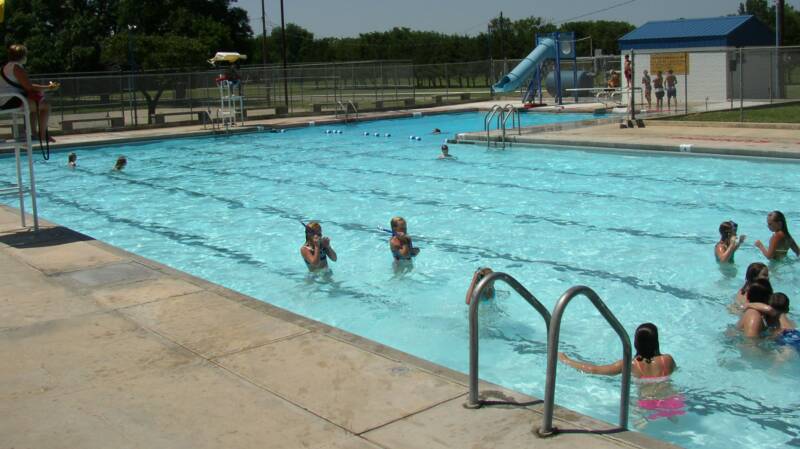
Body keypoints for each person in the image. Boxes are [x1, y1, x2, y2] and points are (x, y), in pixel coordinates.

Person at [559, 323, 676, 378]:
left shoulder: (630, 364)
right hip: (671, 401)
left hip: (646, 402)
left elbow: (594, 369)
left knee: (637, 420)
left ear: (636, 343)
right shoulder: (668, 360)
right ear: (656, 341)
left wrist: (566, 360)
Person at [0, 44, 60, 142]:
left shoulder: (5, 67)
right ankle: (42, 135)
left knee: (35, 104)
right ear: (22, 56)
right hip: (11, 100)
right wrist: (49, 87)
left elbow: (26, 85)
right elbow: (29, 87)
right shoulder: (17, 68)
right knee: (46, 106)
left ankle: (34, 133)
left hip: (5, 100)